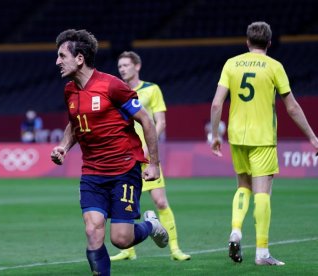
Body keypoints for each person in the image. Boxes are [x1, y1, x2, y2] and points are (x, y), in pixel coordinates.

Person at [51, 29, 168, 276]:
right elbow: (75, 123)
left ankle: (151, 225)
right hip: (92, 172)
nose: (57, 62)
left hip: (124, 170)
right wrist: (63, 146)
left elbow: (146, 121)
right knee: (93, 231)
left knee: (121, 239)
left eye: (62, 56)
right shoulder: (69, 91)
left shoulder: (112, 86)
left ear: (79, 58)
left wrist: (154, 164)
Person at [210, 21, 318, 266]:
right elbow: (291, 106)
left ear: (247, 41)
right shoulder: (274, 66)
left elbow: (217, 103)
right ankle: (262, 253)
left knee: (242, 186)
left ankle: (236, 230)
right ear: (269, 43)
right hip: (263, 138)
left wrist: (215, 135)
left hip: (237, 136)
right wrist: (312, 136)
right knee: (263, 192)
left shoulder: (231, 63)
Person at [110, 51, 191, 262]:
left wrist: (148, 148)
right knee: (124, 202)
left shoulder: (151, 89)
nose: (122, 69)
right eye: (120, 66)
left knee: (160, 201)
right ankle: (128, 250)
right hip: (124, 157)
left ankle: (175, 248)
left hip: (146, 155)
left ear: (137, 66)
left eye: (126, 65)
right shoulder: (117, 91)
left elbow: (160, 122)